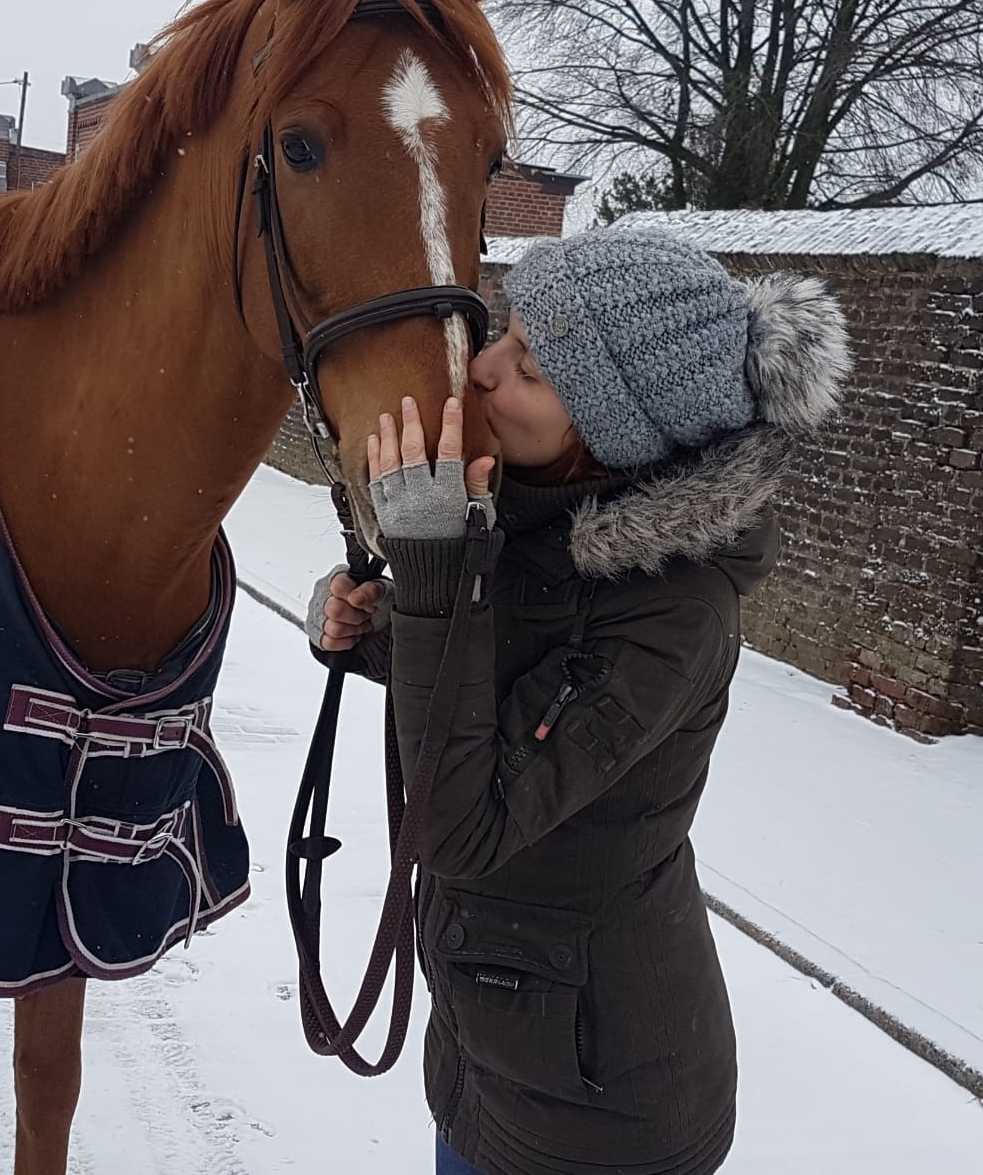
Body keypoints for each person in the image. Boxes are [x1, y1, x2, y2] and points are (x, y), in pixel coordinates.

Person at [306, 226, 851, 1175]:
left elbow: (464, 827)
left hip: (599, 1113)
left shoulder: (672, 615)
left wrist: (435, 579)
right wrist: (372, 626)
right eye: (507, 334)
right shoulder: (538, 526)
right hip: (494, 1053)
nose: (482, 368)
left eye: (532, 368)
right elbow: (483, 686)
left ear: (608, 434)